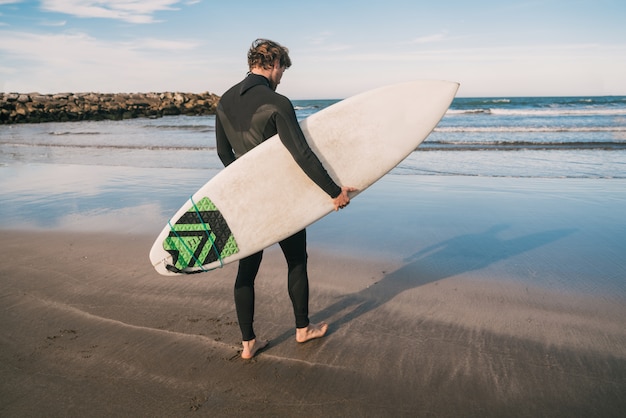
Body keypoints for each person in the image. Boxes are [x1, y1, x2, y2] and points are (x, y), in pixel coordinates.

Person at [215, 38, 355, 359]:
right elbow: (301, 153)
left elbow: (224, 153)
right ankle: (302, 329)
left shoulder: (223, 101)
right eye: (283, 70)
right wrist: (335, 192)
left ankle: (248, 343)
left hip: (247, 200)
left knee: (246, 270)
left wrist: (245, 179)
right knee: (296, 259)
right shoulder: (277, 102)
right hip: (279, 200)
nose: (282, 78)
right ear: (274, 64)